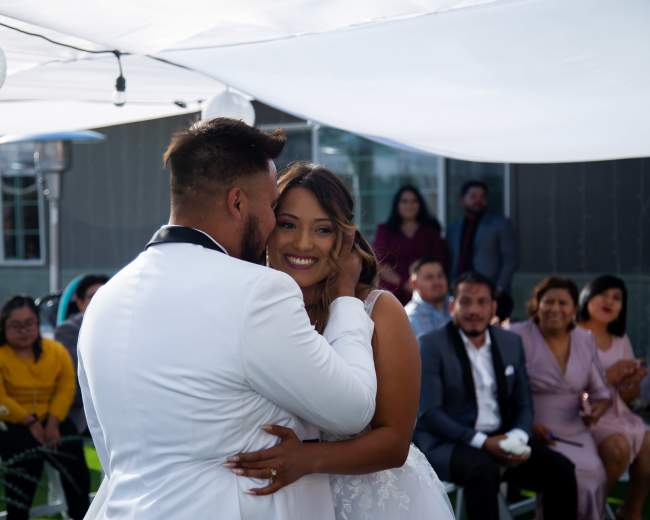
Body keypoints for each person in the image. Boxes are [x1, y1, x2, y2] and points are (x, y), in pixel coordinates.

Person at [78, 118, 378, 520]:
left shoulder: (106, 299)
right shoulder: (258, 292)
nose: (272, 223)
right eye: (272, 207)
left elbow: (106, 442)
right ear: (238, 202)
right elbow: (353, 408)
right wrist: (345, 299)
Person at [227, 162, 454, 519]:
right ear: (268, 226)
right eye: (288, 224)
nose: (303, 243)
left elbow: (394, 442)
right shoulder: (250, 309)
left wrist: (307, 458)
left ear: (344, 239)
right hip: (274, 502)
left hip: (373, 504)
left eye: (322, 230)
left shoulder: (378, 311)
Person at [414, 272, 577, 520]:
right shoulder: (431, 344)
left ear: (493, 307)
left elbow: (524, 402)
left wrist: (517, 437)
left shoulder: (510, 342)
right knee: (482, 470)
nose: (474, 311)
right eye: (465, 302)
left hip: (503, 438)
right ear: (452, 306)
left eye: (481, 302)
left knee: (561, 469)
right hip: (448, 442)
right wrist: (482, 442)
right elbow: (430, 413)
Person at [510, 276, 612, 520]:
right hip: (530, 428)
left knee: (593, 474)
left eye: (563, 303)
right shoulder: (516, 336)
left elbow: (601, 393)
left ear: (574, 309)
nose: (555, 308)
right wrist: (527, 425)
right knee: (566, 473)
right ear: (537, 305)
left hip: (575, 429)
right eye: (549, 302)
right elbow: (502, 391)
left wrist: (594, 412)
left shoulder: (585, 340)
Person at [0, 296, 90, 520]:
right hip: (13, 422)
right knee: (22, 474)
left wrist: (53, 422)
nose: (24, 331)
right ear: (4, 326)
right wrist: (27, 421)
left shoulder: (55, 351)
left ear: (38, 324)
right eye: (16, 325)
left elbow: (66, 386)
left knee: (76, 469)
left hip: (53, 420)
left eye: (29, 323)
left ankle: (81, 515)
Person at [577, 275, 650, 519]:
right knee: (616, 447)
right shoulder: (572, 335)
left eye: (617, 298)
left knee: (649, 442)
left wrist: (633, 381)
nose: (609, 301)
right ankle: (587, 511)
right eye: (603, 295)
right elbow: (566, 387)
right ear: (587, 297)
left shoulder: (620, 339)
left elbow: (627, 398)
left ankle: (631, 511)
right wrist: (608, 375)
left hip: (617, 413)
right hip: (581, 414)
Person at [373, 185, 447, 305]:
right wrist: (404, 283)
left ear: (420, 204)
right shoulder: (385, 230)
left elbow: (439, 262)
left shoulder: (431, 230)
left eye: (414, 201)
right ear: (397, 205)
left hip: (426, 293)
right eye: (404, 201)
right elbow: (380, 264)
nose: (409, 205)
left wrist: (419, 284)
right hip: (392, 294)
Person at [54, 274, 109, 434]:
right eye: (93, 296)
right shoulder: (67, 331)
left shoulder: (123, 328)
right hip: (83, 414)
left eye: (104, 295)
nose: (99, 300)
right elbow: (76, 380)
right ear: (80, 303)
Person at [446, 180, 517, 295]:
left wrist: (500, 287)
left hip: (491, 291)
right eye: (473, 196)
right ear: (462, 200)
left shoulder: (500, 224)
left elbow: (510, 259)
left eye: (482, 197)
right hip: (459, 290)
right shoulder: (453, 229)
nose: (478, 201)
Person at [404, 256, 451, 337]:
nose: (437, 282)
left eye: (440, 276)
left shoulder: (458, 307)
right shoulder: (408, 319)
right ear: (414, 283)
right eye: (429, 277)